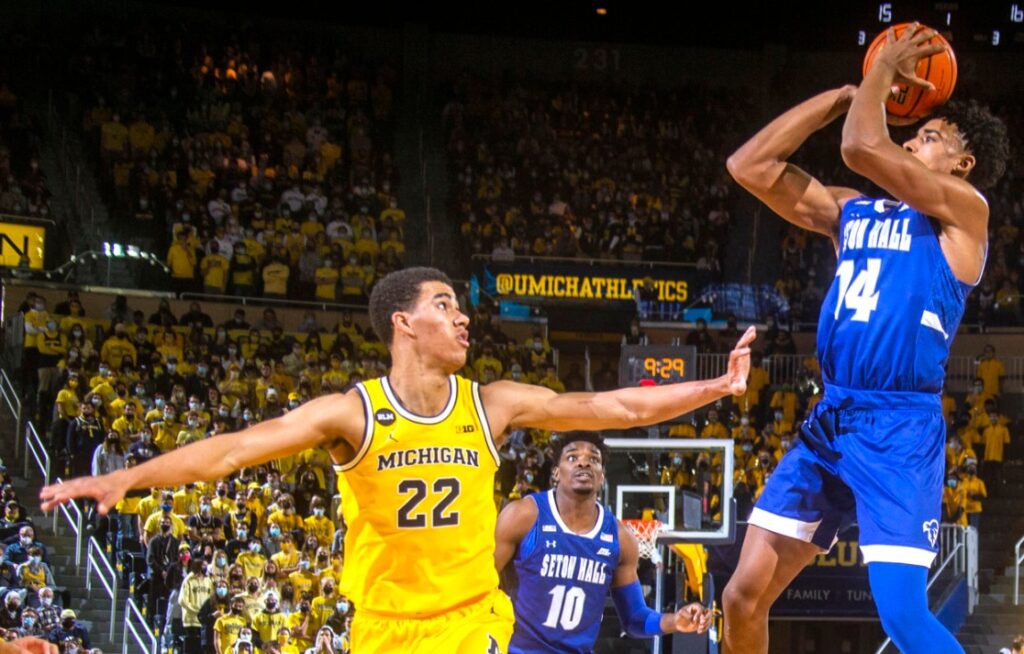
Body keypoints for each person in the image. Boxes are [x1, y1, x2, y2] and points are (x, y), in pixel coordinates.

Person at [42, 266, 755, 654]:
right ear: (404, 325)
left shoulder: (491, 403)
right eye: (445, 305)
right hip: (383, 627)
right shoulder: (351, 413)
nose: (463, 316)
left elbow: (616, 409)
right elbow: (230, 452)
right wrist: (127, 477)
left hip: (473, 619)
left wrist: (717, 385)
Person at [722, 24, 1009, 654]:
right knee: (741, 597)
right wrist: (840, 95)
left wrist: (880, 80)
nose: (911, 140)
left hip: (898, 428)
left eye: (928, 136)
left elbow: (859, 145)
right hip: (833, 416)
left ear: (962, 165)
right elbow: (749, 166)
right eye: (912, 132)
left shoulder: (965, 213)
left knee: (903, 619)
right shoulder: (853, 211)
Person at [494, 432, 711, 653]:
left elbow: (635, 618)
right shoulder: (524, 515)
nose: (584, 462)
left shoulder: (620, 537)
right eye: (572, 457)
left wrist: (674, 621)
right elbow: (479, 585)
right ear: (556, 473)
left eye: (594, 459)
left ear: (602, 476)